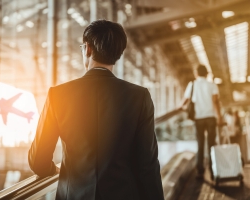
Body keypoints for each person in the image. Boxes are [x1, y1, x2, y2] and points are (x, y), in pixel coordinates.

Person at [28, 20, 164, 200]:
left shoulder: (58, 95)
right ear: (118, 54)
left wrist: (53, 169)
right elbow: (147, 165)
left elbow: (38, 161)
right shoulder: (139, 97)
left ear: (88, 49)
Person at [180, 64, 223, 180]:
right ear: (207, 73)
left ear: (196, 73)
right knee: (211, 143)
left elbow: (185, 100)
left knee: (200, 143)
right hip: (211, 117)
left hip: (198, 118)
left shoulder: (192, 84)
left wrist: (180, 107)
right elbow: (215, 101)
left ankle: (200, 170)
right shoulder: (212, 85)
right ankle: (213, 170)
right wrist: (219, 116)